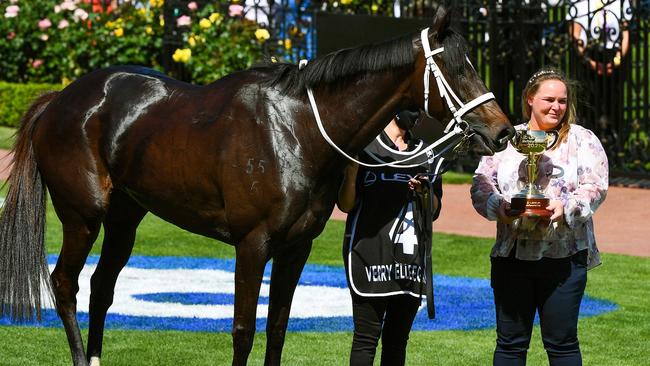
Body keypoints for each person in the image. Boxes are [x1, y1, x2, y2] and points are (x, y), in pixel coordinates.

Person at [471, 67, 608, 366]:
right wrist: (499, 206)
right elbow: (481, 184)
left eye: (562, 100)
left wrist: (566, 207)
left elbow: (595, 186)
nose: (556, 107)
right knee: (510, 345)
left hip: (563, 258)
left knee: (562, 344)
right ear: (530, 99)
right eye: (548, 99)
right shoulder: (507, 139)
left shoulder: (582, 139)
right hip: (512, 257)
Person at [337, 110, 443, 366]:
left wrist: (424, 192)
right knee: (365, 339)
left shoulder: (426, 152)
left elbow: (435, 211)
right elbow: (345, 204)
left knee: (397, 342)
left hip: (410, 258)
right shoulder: (364, 146)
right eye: (411, 105)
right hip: (369, 255)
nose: (416, 113)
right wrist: (351, 169)